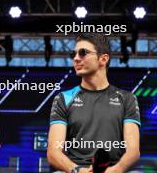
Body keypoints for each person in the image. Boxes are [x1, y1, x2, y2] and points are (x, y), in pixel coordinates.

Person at [47, 33, 140, 173]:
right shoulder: (63, 98)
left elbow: (133, 151)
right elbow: (53, 152)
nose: (76, 58)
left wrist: (115, 170)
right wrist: (78, 170)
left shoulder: (127, 98)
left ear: (103, 59)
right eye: (74, 54)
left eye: (83, 53)